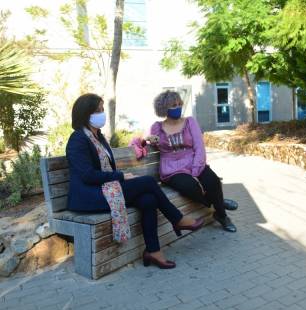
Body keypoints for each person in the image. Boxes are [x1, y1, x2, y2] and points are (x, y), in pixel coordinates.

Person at [66, 93, 204, 270]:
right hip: (89, 195)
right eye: (98, 110)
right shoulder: (78, 139)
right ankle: (177, 219)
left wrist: (120, 176)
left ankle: (153, 251)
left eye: (102, 109)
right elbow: (88, 176)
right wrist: (121, 176)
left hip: (106, 189)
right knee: (147, 182)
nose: (102, 114)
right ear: (86, 114)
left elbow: (105, 168)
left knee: (149, 200)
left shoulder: (98, 137)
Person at [131, 90, 238, 232]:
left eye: (179, 104)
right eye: (173, 105)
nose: (178, 108)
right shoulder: (156, 127)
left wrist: (196, 169)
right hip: (172, 168)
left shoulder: (190, 122)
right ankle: (219, 202)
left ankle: (222, 215)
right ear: (164, 108)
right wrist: (146, 139)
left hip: (193, 161)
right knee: (190, 186)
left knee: (212, 181)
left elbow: (199, 146)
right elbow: (139, 142)